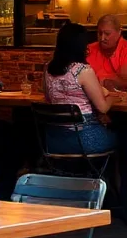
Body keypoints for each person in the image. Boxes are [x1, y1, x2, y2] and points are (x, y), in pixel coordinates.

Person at [44, 23, 116, 155]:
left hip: (54, 141)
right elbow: (103, 107)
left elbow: (48, 98)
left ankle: (85, 173)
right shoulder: (83, 70)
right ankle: (105, 175)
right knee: (123, 136)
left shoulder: (48, 68)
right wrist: (112, 96)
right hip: (86, 139)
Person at [87, 13, 127, 91]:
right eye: (100, 33)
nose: (102, 38)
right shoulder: (89, 49)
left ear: (119, 32)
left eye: (107, 34)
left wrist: (106, 82)